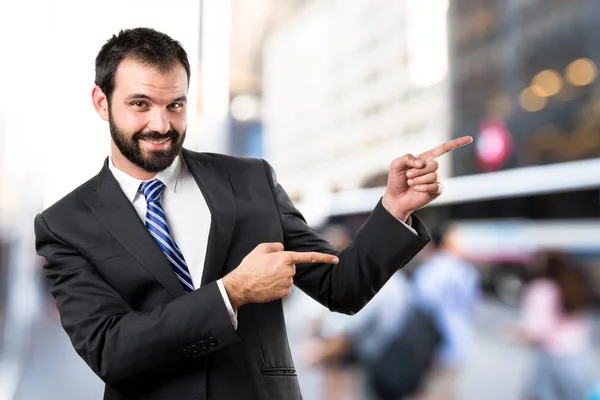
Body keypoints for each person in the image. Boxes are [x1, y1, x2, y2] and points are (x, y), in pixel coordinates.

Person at [33, 27, 472, 400]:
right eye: (141, 104)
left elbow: (342, 286)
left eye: (176, 105)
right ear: (101, 102)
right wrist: (231, 293)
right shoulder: (66, 224)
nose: (162, 125)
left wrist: (393, 210)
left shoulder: (250, 180)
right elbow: (108, 348)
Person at [507, 250, 598, 400]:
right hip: (581, 358)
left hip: (552, 360)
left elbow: (534, 331)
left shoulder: (541, 288)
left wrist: (514, 333)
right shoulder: (574, 284)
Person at [412, 224, 481, 400]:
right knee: (448, 391)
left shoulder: (430, 271)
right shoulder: (466, 269)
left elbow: (422, 307)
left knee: (427, 391)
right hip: (460, 338)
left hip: (435, 343)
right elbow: (472, 304)